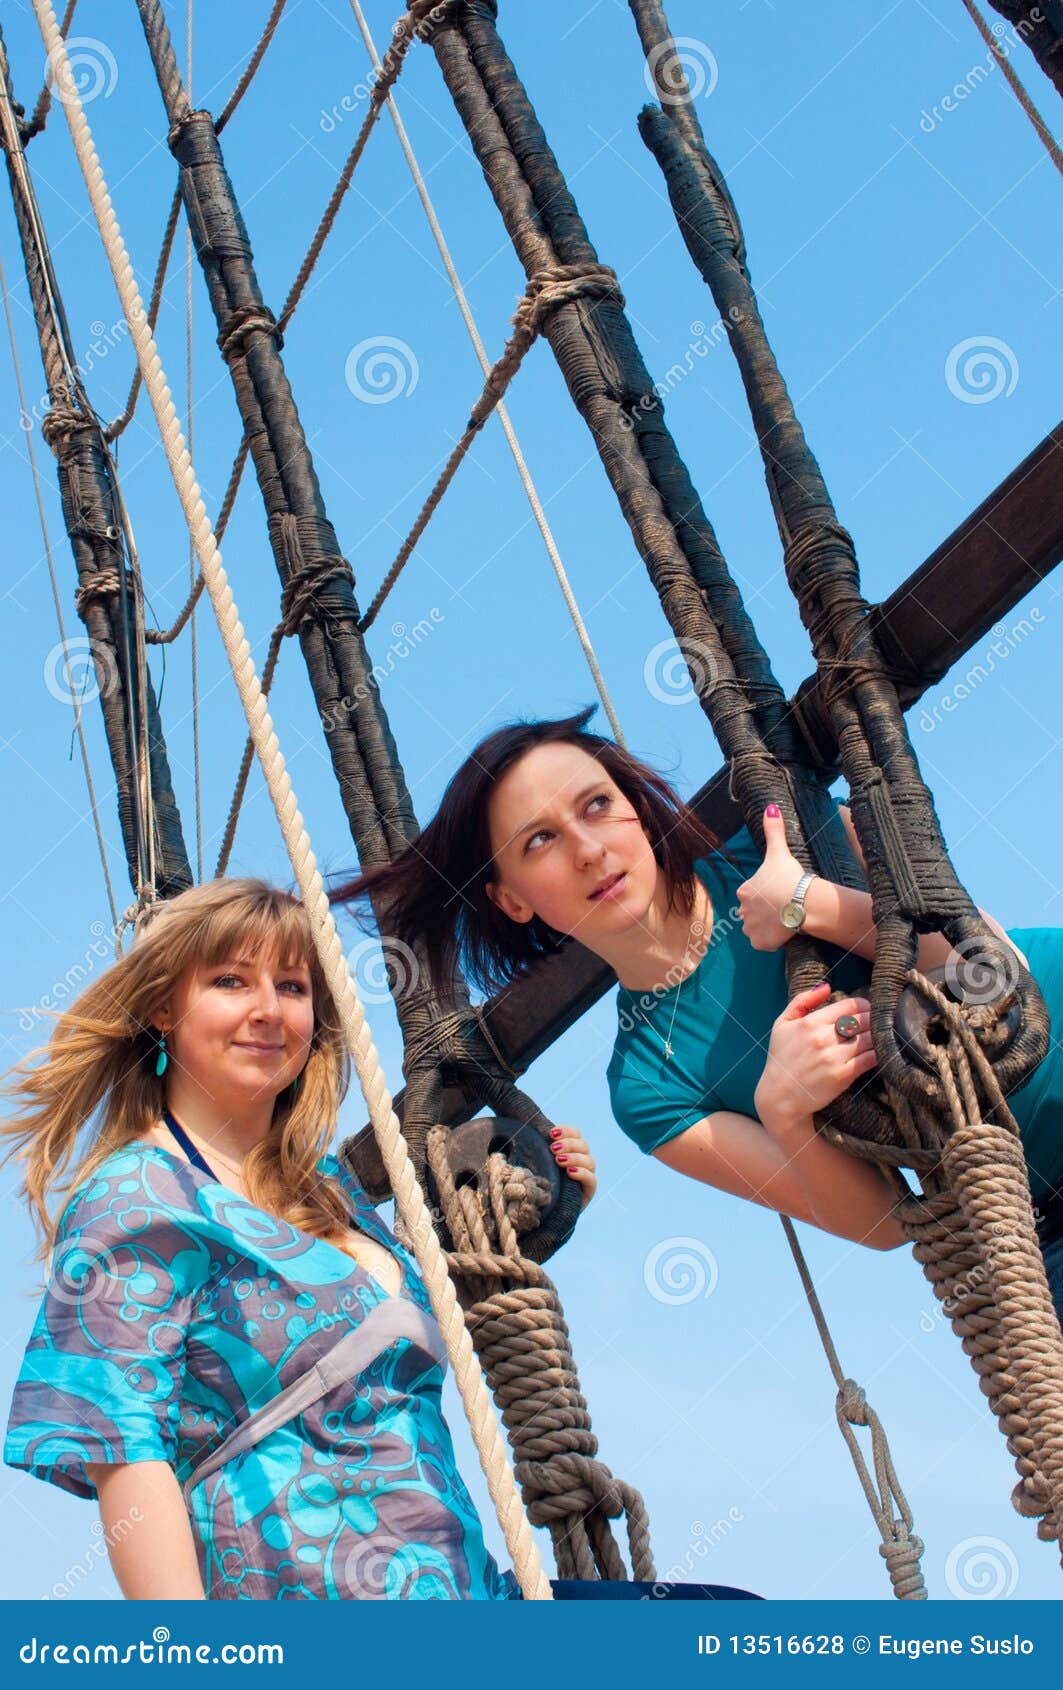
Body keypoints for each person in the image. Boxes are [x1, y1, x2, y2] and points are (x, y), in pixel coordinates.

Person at [329, 708, 1063, 1323]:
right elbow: (876, 1224)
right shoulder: (648, 1084)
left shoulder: (773, 836)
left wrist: (810, 902)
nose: (588, 850)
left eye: (595, 807)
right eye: (540, 841)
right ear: (512, 898)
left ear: (635, 809)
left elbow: (994, 969)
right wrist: (784, 1108)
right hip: (1033, 1221)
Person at [1, 878, 595, 1601]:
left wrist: (531, 1213)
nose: (267, 1011)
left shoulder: (326, 1193)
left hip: (463, 1596)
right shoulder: (137, 1195)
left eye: (291, 986)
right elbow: (124, 1450)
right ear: (163, 1007)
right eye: (229, 981)